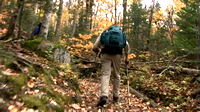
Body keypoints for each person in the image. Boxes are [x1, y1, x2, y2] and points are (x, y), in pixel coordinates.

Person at [92, 24, 130, 107]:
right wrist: (127, 58)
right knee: (116, 75)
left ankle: (104, 95)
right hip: (117, 56)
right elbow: (126, 47)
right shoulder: (121, 35)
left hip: (106, 54)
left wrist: (97, 50)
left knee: (106, 74)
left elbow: (95, 46)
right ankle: (116, 96)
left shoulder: (105, 33)